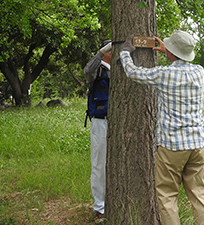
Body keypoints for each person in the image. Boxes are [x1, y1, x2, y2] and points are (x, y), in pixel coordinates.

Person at [119, 30, 204, 225]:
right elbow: (180, 64)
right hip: (197, 144)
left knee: (167, 196)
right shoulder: (199, 71)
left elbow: (134, 72)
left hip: (172, 146)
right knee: (200, 196)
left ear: (172, 52)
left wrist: (125, 52)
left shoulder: (164, 74)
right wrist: (169, 52)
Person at [84, 40, 112, 219]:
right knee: (99, 164)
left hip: (119, 123)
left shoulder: (119, 67)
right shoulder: (97, 68)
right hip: (100, 121)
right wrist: (103, 50)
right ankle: (99, 207)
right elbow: (87, 70)